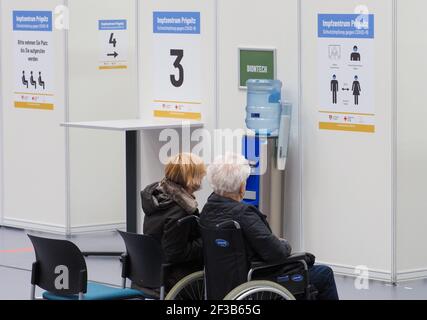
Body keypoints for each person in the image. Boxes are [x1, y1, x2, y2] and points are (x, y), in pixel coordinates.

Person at [200, 153, 339, 300]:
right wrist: (285, 245)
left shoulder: (207, 211)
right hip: (257, 281)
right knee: (324, 273)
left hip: (222, 283)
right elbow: (276, 252)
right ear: (241, 186)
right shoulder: (243, 214)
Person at [141, 153, 206, 291]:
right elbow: (176, 253)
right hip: (175, 277)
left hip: (150, 270)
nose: (203, 177)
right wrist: (206, 240)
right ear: (191, 179)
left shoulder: (159, 199)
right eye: (201, 174)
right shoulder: (180, 212)